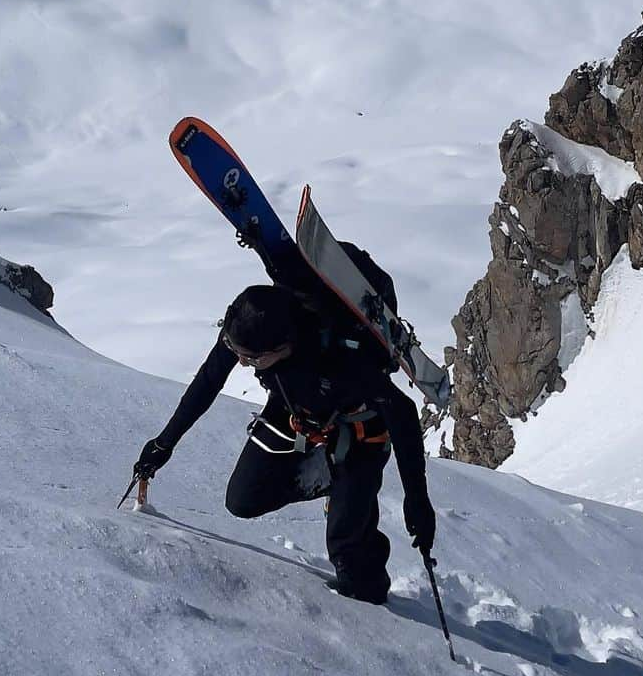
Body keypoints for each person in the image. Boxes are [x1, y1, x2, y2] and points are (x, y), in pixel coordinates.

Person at [133, 255, 436, 605]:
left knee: (354, 570)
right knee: (243, 500)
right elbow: (208, 380)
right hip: (295, 412)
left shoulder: (342, 361)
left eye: (253, 359)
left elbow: (402, 413)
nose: (243, 362)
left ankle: (346, 493)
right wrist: (163, 444)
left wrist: (418, 500)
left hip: (360, 430)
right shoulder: (248, 325)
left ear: (284, 346)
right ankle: (330, 481)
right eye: (237, 352)